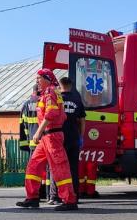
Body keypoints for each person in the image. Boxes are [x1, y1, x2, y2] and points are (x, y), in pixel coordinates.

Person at [16, 69, 78, 211]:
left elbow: (51, 113)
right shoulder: (46, 94)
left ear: (47, 79)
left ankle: (69, 200)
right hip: (46, 137)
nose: (36, 81)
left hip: (51, 136)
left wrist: (38, 132)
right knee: (34, 165)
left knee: (59, 167)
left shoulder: (51, 91)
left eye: (39, 78)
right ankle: (32, 198)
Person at [59, 75, 86, 202]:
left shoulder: (57, 100)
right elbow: (82, 120)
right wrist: (81, 136)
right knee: (73, 168)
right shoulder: (77, 100)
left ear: (60, 86)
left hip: (60, 137)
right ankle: (75, 195)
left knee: (60, 167)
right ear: (71, 86)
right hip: (74, 138)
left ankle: (62, 196)